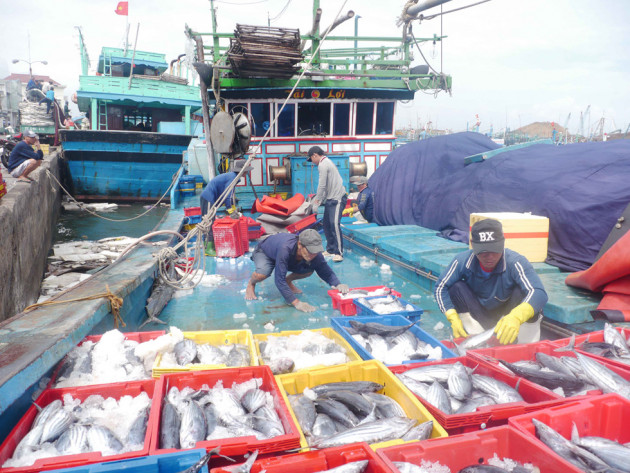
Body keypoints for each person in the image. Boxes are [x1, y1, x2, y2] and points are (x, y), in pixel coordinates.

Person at [434, 218, 548, 345]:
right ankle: (477, 337)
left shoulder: (515, 262)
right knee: (456, 288)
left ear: (503, 243)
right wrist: (452, 316)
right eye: (483, 252)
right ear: (473, 245)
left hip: (509, 313)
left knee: (523, 292)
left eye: (495, 250)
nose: (490, 257)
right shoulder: (462, 261)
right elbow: (440, 287)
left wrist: (516, 317)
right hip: (482, 314)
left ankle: (522, 340)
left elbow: (539, 293)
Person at [245, 229, 350, 312]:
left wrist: (337, 284)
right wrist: (296, 303)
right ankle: (251, 283)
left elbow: (324, 270)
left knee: (309, 270)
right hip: (265, 252)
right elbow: (278, 279)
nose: (312, 255)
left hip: (288, 257)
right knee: (262, 273)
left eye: (314, 252)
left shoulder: (314, 254)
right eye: (309, 251)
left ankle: (289, 281)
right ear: (300, 244)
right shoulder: (285, 248)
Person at [307, 145, 347, 262]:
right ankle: (330, 250)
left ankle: (339, 252)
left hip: (337, 198)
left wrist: (317, 202)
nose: (312, 162)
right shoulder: (325, 162)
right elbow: (326, 186)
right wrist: (320, 199)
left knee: (334, 224)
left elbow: (322, 185)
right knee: (326, 224)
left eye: (311, 159)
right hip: (330, 198)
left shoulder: (323, 164)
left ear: (315, 155)